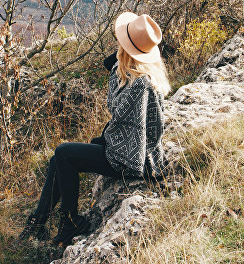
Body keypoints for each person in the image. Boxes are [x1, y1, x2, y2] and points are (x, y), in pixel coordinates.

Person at [19, 12, 171, 246]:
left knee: (64, 153)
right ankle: (38, 223)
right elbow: (109, 65)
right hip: (125, 149)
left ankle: (68, 222)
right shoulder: (137, 72)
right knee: (58, 159)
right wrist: (126, 49)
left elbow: (124, 117)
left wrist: (124, 49)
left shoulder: (140, 85)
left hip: (130, 159)